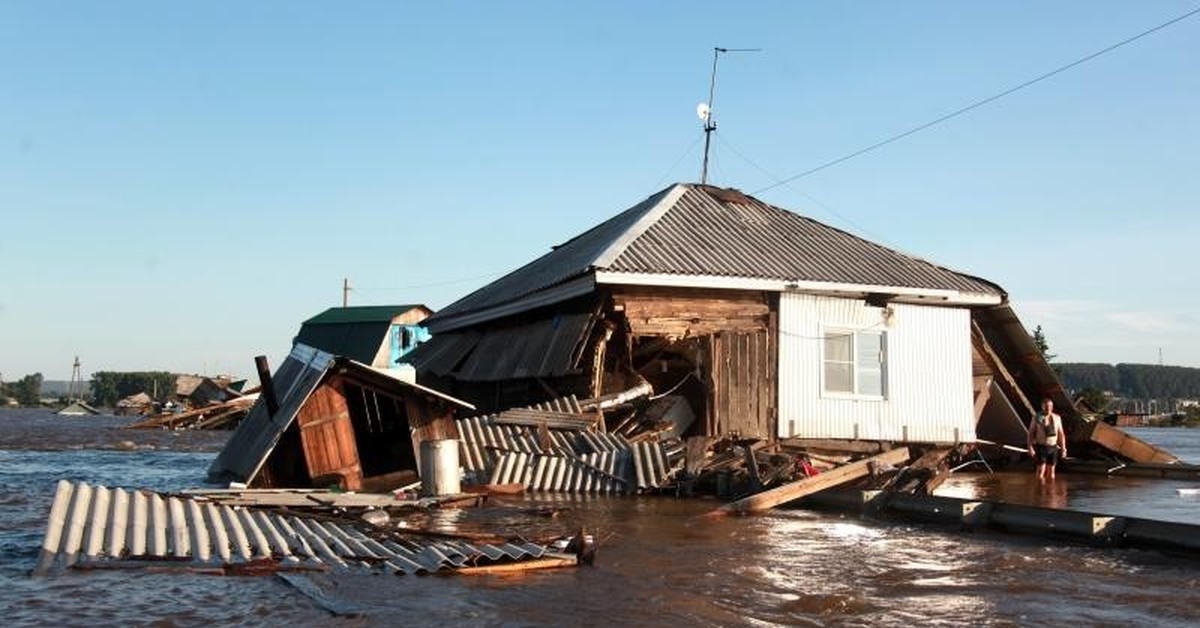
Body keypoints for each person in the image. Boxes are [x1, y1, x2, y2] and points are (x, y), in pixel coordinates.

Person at [1027, 398, 1067, 481]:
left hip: (1053, 447)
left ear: (1052, 407)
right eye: (1046, 406)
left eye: (1050, 406)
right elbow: (1030, 433)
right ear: (1042, 407)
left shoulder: (1057, 418)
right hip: (1041, 447)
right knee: (1041, 470)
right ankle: (1039, 490)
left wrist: (1063, 448)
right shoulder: (1036, 418)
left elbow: (1061, 434)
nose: (1048, 408)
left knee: (1052, 472)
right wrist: (1030, 448)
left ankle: (1050, 491)